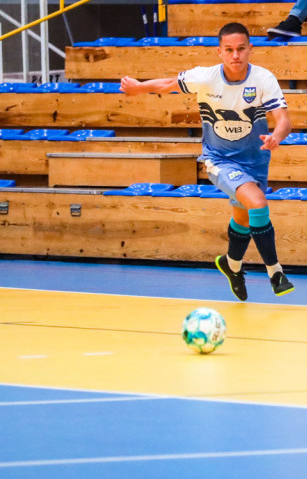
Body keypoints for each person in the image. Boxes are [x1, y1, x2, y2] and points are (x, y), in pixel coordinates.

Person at [120, 23, 295, 300]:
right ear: (220, 51)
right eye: (229, 50)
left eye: (240, 49)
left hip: (255, 160)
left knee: (244, 216)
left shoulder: (263, 78)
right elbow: (168, 84)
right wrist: (140, 88)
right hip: (219, 158)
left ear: (250, 49)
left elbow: (284, 120)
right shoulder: (205, 77)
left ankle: (231, 265)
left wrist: (276, 136)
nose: (235, 55)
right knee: (258, 203)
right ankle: (275, 272)